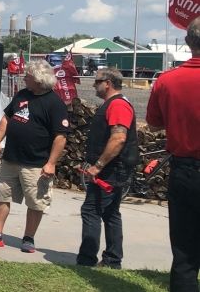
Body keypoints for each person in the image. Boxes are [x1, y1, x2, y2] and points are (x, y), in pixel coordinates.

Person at [0, 59, 68, 254]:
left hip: (36, 163)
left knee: (36, 201)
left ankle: (28, 237)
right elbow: (6, 118)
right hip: (11, 158)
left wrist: (51, 163)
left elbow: (60, 137)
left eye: (28, 76)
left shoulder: (54, 103)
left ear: (38, 79)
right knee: (2, 196)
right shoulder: (22, 95)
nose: (24, 77)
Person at [146, 16, 200, 292]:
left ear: (188, 42)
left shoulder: (167, 81)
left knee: (184, 252)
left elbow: (154, 122)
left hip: (184, 170)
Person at [76, 67, 136, 269]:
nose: (94, 85)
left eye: (96, 81)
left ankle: (86, 260)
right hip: (111, 169)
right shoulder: (113, 104)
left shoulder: (118, 105)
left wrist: (98, 166)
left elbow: (119, 138)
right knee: (110, 213)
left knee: (91, 210)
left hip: (110, 170)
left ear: (108, 83)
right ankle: (112, 260)